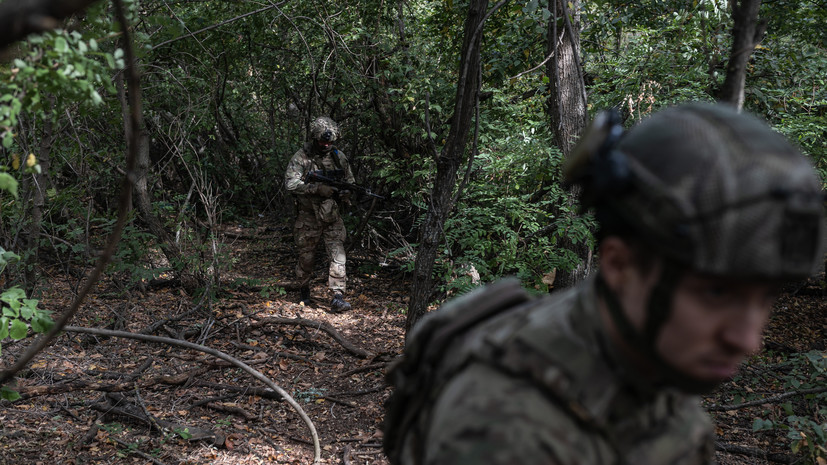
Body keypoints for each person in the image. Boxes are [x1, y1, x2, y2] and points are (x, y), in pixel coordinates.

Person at [383, 102, 825, 465]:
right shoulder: (509, 431)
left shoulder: (650, 356)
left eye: (766, 296)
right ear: (618, 264)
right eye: (715, 292)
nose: (748, 339)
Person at [284, 116, 355, 313]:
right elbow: (290, 184)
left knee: (338, 254)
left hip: (331, 215)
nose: (326, 145)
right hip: (308, 216)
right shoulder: (301, 158)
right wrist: (316, 188)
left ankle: (337, 295)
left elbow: (349, 180)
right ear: (315, 138)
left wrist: (343, 192)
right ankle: (304, 290)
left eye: (330, 142)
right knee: (306, 257)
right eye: (323, 141)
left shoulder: (338, 157)